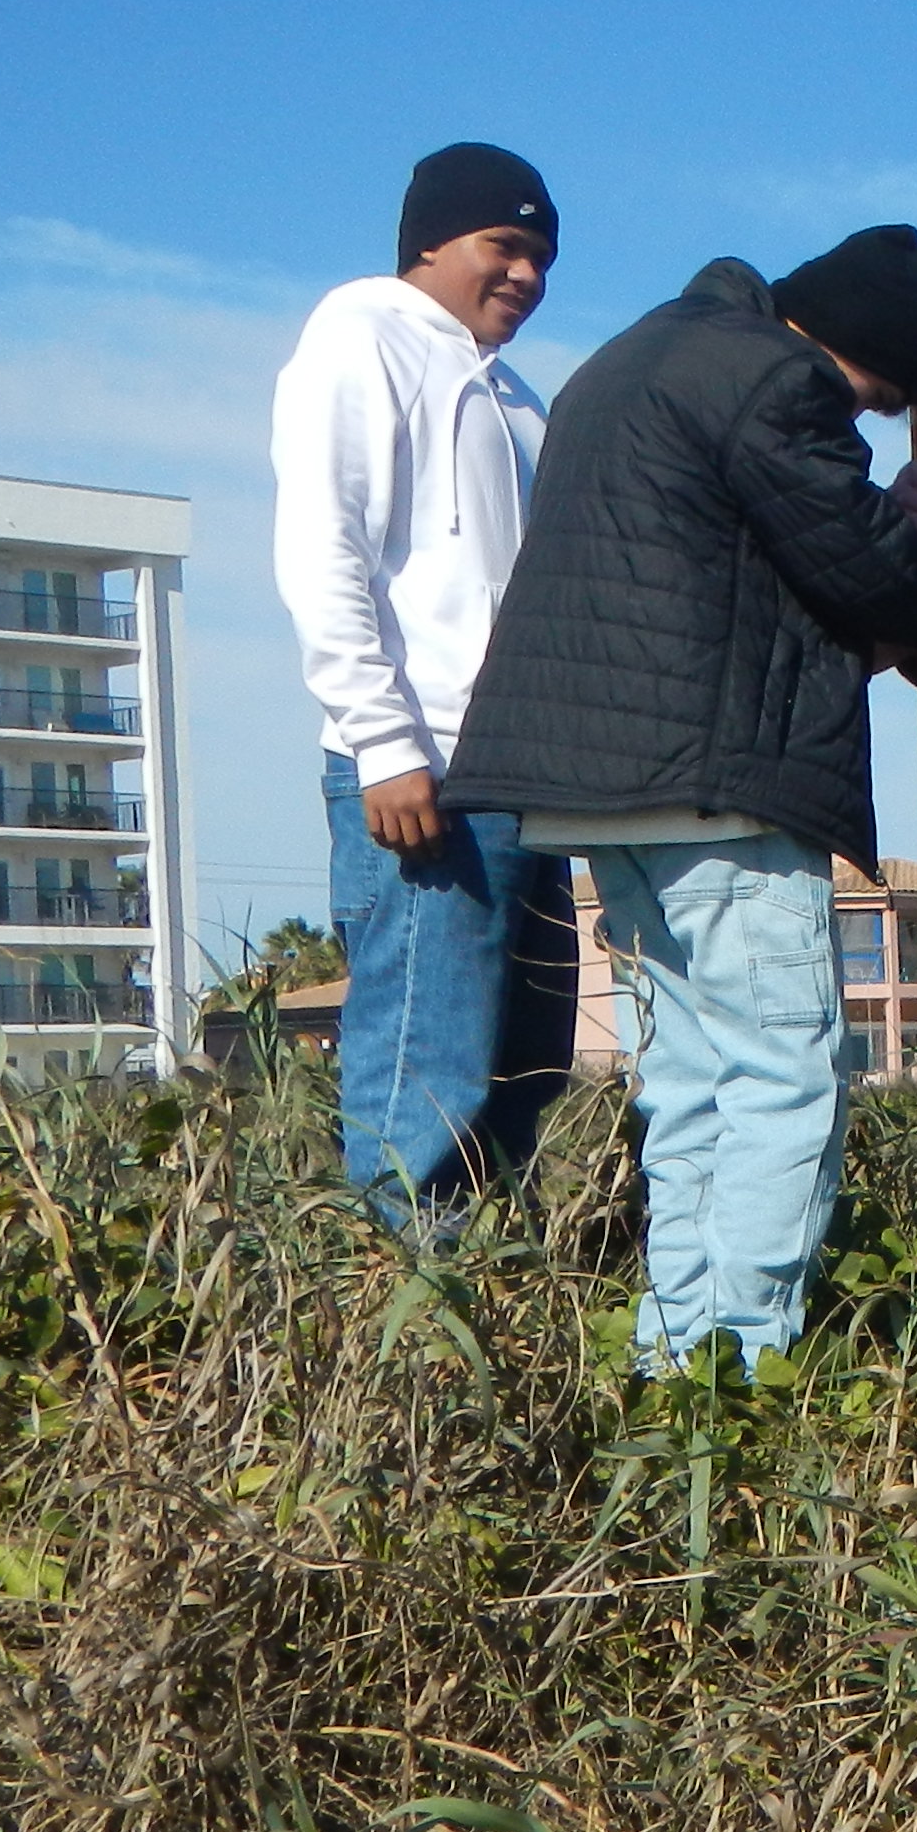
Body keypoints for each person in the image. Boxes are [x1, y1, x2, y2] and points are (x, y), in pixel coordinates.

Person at [438, 227, 917, 1368]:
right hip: (720, 786)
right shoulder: (778, 379)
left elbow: (745, 561)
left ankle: (675, 1359)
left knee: (690, 1084)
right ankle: (742, 1363)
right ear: (856, 355)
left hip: (597, 790)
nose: (860, 424)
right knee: (784, 1077)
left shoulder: (630, 357)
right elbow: (861, 563)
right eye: (873, 401)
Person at [272, 141, 570, 1221]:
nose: (526, 276)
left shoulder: (519, 400)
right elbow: (325, 548)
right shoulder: (362, 335)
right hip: (426, 773)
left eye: (543, 260)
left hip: (520, 783)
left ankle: (493, 1301)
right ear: (433, 242)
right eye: (505, 246)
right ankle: (395, 1314)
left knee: (524, 1080)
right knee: (422, 1084)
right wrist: (385, 744)